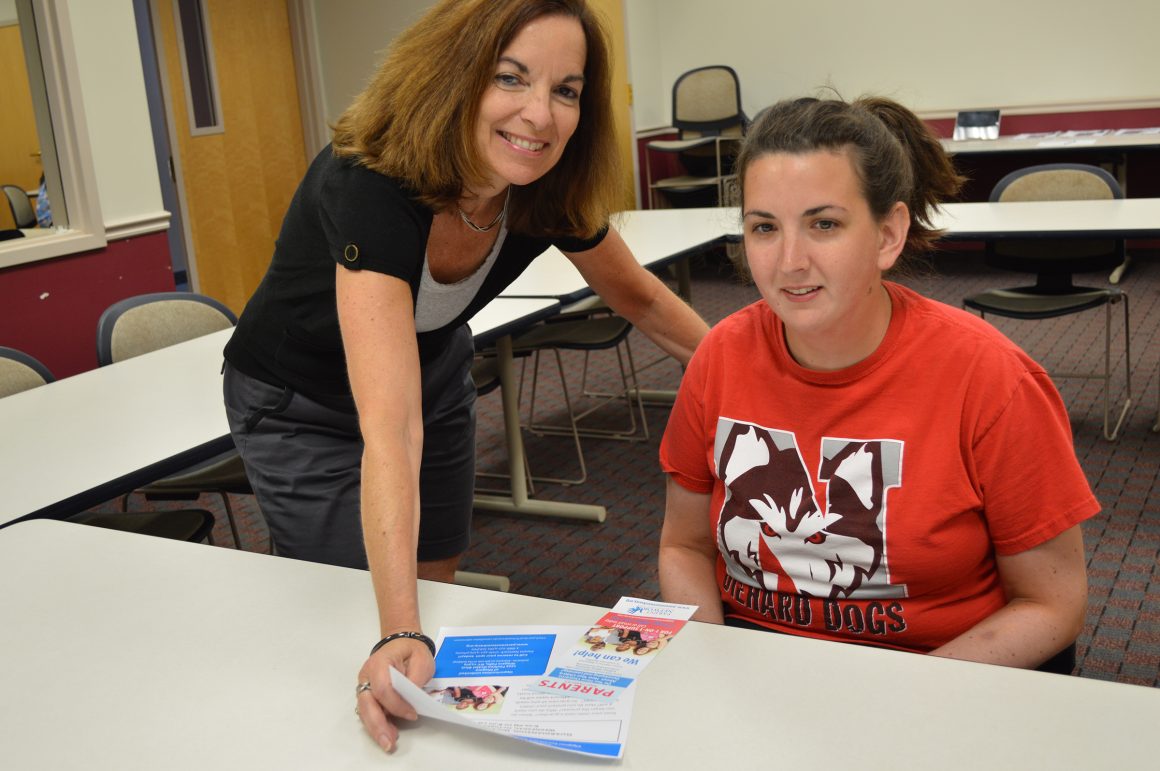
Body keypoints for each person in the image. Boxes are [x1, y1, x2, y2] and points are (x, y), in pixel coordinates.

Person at [221, 0, 708, 753]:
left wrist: (759, 381)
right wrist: (397, 626)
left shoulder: (541, 189)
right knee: (360, 601)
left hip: (433, 369)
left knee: (434, 580)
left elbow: (640, 297)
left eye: (567, 90)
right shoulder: (373, 182)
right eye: (510, 78)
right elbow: (389, 426)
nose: (539, 115)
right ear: (458, 77)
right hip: (300, 402)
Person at [658, 95, 1095, 673]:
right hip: (756, 664)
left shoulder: (991, 380)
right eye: (764, 227)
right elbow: (683, 546)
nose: (790, 261)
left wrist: (896, 703)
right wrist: (714, 667)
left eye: (824, 224)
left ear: (888, 234)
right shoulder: (721, 357)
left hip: (937, 674)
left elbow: (1052, 603)